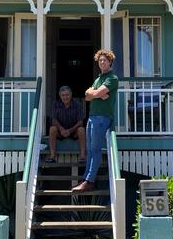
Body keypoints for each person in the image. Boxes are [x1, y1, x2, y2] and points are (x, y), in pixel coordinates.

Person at [72, 49, 118, 193]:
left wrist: (95, 94)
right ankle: (86, 178)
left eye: (105, 60)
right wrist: (96, 94)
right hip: (92, 117)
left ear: (110, 61)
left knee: (96, 150)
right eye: (100, 61)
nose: (102, 62)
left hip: (102, 117)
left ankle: (90, 181)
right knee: (90, 150)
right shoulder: (98, 79)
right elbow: (86, 95)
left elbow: (95, 93)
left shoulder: (112, 78)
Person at [45, 86, 86, 163]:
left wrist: (69, 131)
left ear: (71, 95)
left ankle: (82, 157)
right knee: (52, 129)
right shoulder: (56, 104)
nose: (65, 97)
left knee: (81, 129)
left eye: (67, 95)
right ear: (60, 96)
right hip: (60, 132)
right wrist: (61, 129)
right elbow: (54, 120)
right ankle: (52, 156)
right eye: (63, 95)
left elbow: (81, 122)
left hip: (73, 132)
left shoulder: (77, 104)